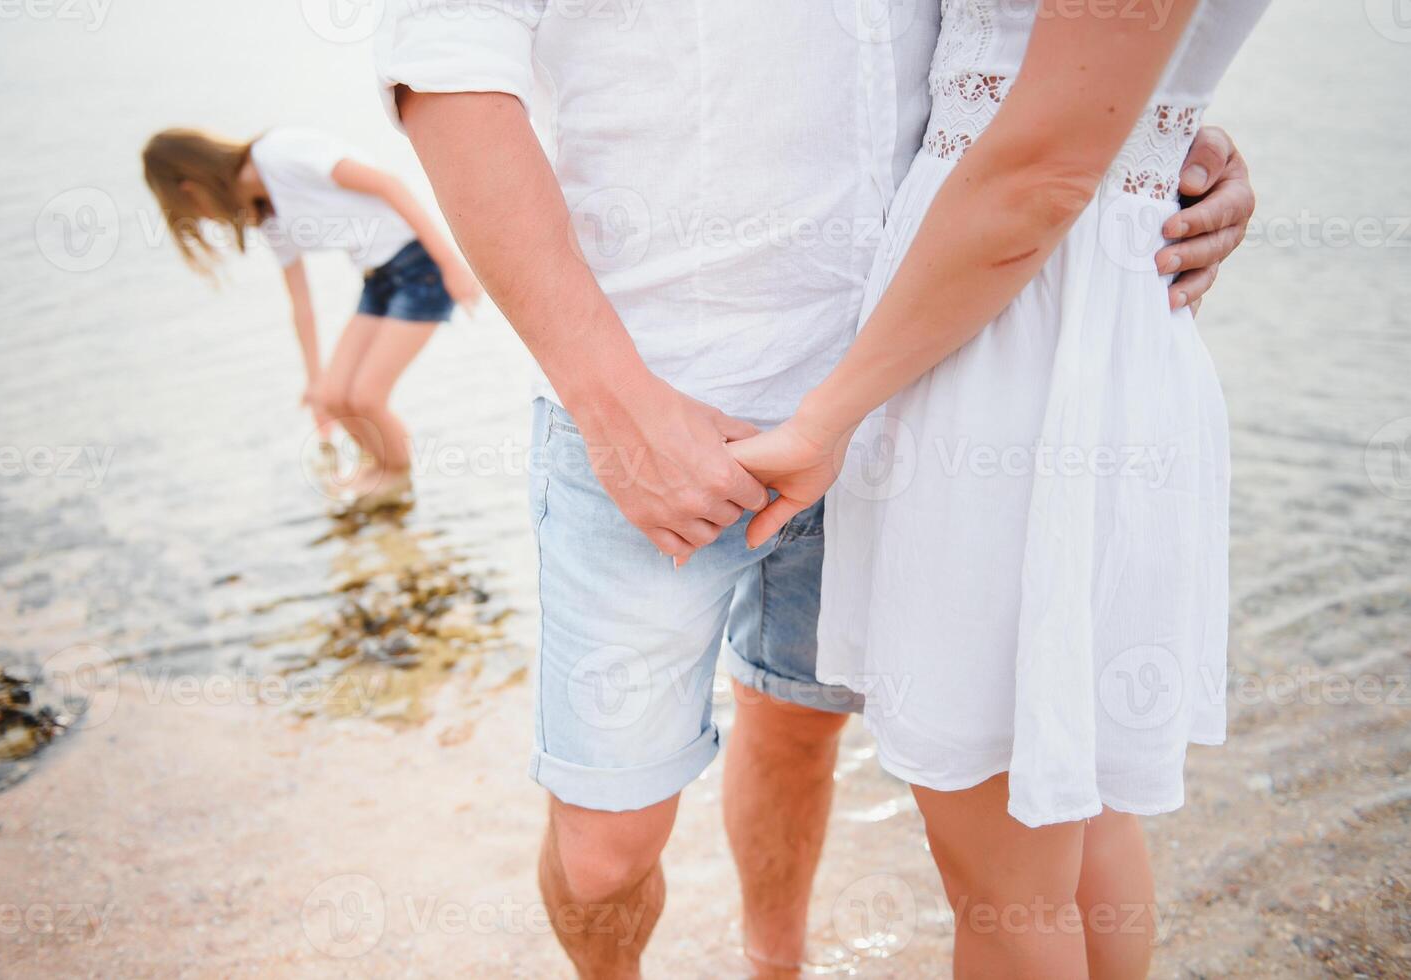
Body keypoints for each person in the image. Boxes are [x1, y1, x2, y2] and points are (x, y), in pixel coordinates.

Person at [376, 1, 1258, 974]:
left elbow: (1050, 90)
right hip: (648, 406)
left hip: (916, 401)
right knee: (603, 849)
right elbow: (446, 69)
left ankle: (774, 963)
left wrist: (1153, 138)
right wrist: (609, 399)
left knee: (814, 731)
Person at [727, 0, 1270, 974]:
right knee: (1074, 813)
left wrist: (827, 416)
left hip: (1007, 350)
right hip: (1065, 320)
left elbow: (1039, 172)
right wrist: (1176, 128)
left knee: (1002, 884)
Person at [141, 126, 481, 511]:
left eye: (194, 213)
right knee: (332, 396)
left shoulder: (280, 154)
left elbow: (389, 185)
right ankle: (381, 470)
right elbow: (300, 302)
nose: (208, 219)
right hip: (378, 279)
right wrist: (313, 380)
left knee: (367, 397)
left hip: (420, 266)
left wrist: (451, 264)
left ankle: (397, 482)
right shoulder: (265, 213)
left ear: (189, 187)